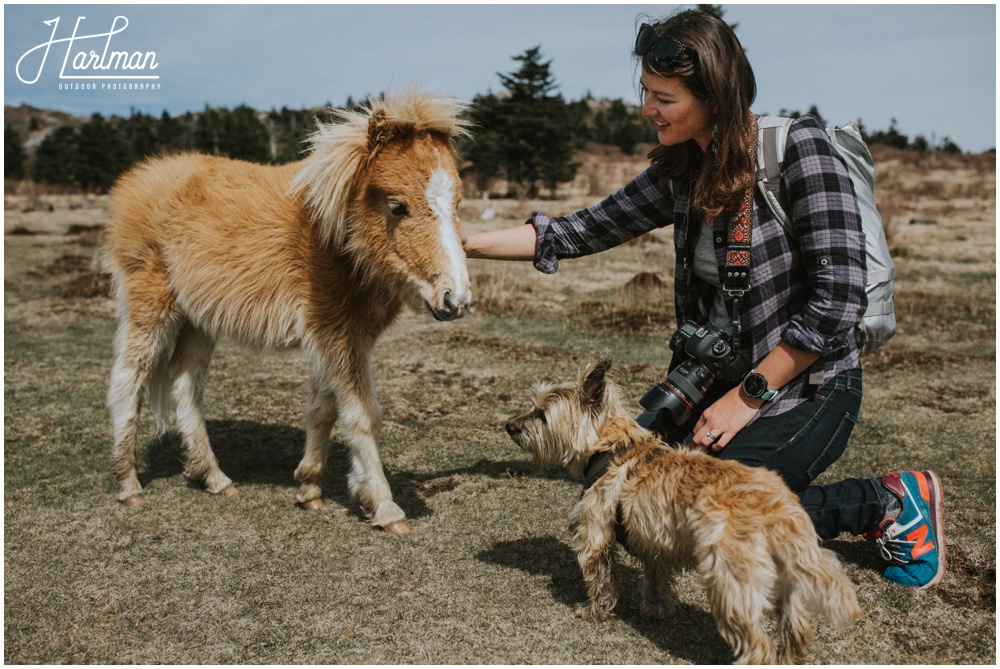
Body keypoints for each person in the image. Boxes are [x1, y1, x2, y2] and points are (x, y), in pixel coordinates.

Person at [462, 9, 945, 589]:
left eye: (663, 97)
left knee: (707, 510)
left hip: (806, 385)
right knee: (622, 500)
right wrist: (451, 243)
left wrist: (748, 395)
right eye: (646, 92)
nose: (647, 109)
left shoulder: (798, 150)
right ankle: (811, 499)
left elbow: (838, 299)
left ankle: (890, 503)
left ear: (713, 93)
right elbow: (578, 231)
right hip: (713, 381)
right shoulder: (681, 171)